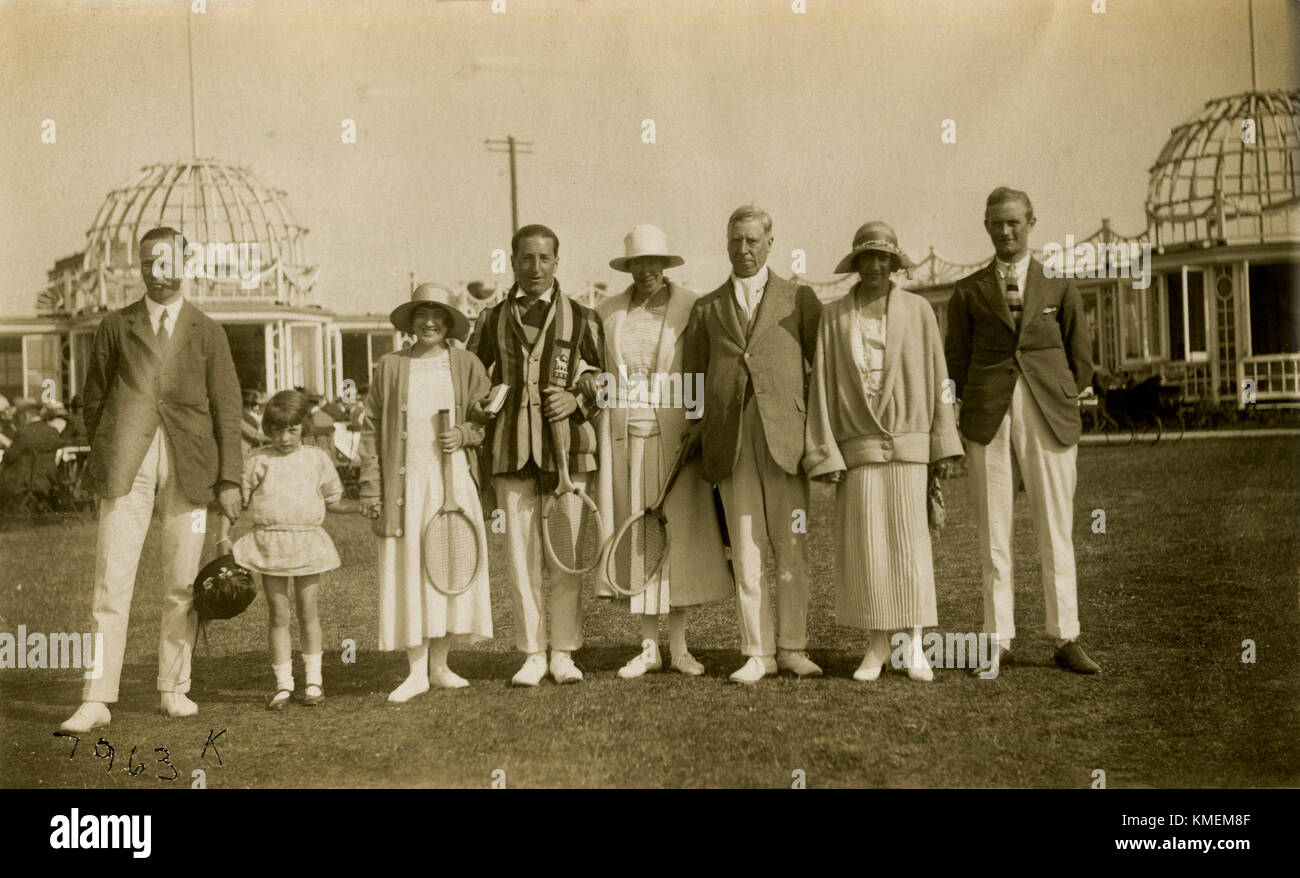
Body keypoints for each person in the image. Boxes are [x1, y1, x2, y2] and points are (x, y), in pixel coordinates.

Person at [60, 226, 243, 733]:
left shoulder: (208, 331)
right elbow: (93, 401)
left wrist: (229, 477)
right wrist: (111, 450)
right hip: (127, 467)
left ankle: (174, 689)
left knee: (183, 583)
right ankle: (96, 698)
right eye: (147, 265)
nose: (156, 274)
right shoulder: (116, 326)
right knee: (110, 583)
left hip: (191, 467)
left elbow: (228, 409)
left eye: (166, 263)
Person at [945, 187, 1100, 675]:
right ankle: (997, 639)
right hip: (988, 416)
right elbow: (955, 361)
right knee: (994, 531)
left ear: (1032, 222)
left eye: (1014, 222)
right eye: (996, 223)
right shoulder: (968, 291)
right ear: (986, 226)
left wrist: (1062, 392)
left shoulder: (1059, 285)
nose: (1006, 231)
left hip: (1048, 414)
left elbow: (1082, 358)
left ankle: (1066, 636)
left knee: (1056, 528)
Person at [804, 222, 964, 682]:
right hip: (858, 451)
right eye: (866, 258)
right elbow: (821, 391)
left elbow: (940, 379)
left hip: (910, 446)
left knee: (909, 547)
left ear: (895, 263)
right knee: (867, 549)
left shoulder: (918, 312)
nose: (874, 266)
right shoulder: (834, 317)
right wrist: (825, 453)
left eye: (883, 258)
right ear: (855, 264)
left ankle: (912, 644)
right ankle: (876, 646)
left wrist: (943, 444)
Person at [681, 206, 823, 684]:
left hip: (788, 443)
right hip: (731, 444)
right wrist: (698, 431)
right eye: (734, 242)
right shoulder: (707, 306)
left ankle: (793, 648)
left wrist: (817, 438)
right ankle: (757, 654)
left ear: (769, 243)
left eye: (751, 242)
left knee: (792, 547)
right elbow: (692, 382)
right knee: (746, 551)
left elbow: (820, 372)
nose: (743, 250)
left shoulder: (800, 299)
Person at [468, 223, 605, 687]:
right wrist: (488, 403)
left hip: (568, 454)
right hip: (510, 453)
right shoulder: (489, 319)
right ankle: (531, 652)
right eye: (526, 258)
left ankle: (563, 651)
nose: (535, 268)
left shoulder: (583, 316)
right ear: (512, 262)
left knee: (565, 555)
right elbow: (472, 381)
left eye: (545, 258)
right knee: (521, 559)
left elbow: (605, 382)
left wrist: (578, 401)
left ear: (557, 262)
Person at [594, 225, 732, 679]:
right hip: (625, 440)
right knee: (638, 540)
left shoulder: (692, 306)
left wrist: (696, 422)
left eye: (653, 263)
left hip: (677, 440)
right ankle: (648, 647)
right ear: (629, 267)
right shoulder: (608, 312)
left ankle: (679, 647)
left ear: (665, 266)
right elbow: (600, 376)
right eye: (637, 264)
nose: (646, 270)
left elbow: (703, 366)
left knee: (679, 542)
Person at [359, 284, 494, 702]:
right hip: (407, 485)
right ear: (411, 321)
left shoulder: (467, 363)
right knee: (410, 573)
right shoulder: (390, 365)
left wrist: (465, 433)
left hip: (453, 483)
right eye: (422, 314)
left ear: (450, 321)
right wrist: (370, 488)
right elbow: (370, 428)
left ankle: (440, 665)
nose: (429, 322)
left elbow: (485, 420)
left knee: (449, 569)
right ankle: (415, 670)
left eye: (438, 314)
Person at [232, 390, 352, 709]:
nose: (284, 438)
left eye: (293, 430)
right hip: (271, 543)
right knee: (278, 614)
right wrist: (220, 532)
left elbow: (334, 501)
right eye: (276, 430)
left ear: (304, 428)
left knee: (308, 612)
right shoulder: (258, 459)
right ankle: (284, 685)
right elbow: (236, 503)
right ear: (268, 429)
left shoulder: (317, 458)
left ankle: (314, 682)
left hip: (307, 542)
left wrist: (363, 508)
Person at [0, 400, 64, 500]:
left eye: (20, 415)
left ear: (26, 414)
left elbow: (10, 456)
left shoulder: (23, 432)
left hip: (27, 479)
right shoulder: (53, 431)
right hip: (50, 477)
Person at [241, 389, 267, 457]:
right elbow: (255, 435)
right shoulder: (250, 418)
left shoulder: (249, 416)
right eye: (256, 404)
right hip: (250, 451)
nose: (257, 406)